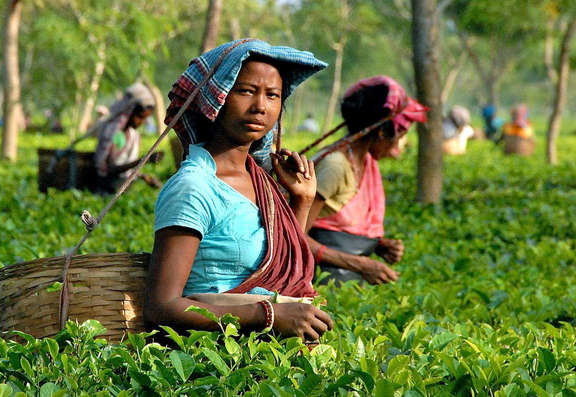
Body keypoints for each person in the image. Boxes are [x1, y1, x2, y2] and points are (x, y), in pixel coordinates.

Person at [144, 39, 333, 342]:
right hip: (211, 360)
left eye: (272, 95)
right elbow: (162, 307)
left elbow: (278, 268)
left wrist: (302, 200)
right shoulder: (194, 187)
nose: (260, 106)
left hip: (265, 357)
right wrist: (267, 316)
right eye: (246, 91)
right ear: (215, 98)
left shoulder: (261, 180)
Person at [305, 76, 428, 285]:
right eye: (397, 137)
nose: (397, 146)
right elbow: (293, 234)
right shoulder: (336, 166)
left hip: (346, 283)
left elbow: (338, 225)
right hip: (317, 281)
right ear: (381, 132)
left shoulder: (365, 162)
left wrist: (377, 245)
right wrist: (361, 264)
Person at [92, 82, 160, 194]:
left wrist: (144, 177)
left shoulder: (132, 134)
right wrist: (144, 160)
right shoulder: (114, 132)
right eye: (140, 117)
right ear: (130, 111)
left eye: (144, 119)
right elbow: (110, 169)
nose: (141, 122)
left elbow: (125, 166)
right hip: (107, 190)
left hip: (123, 190)